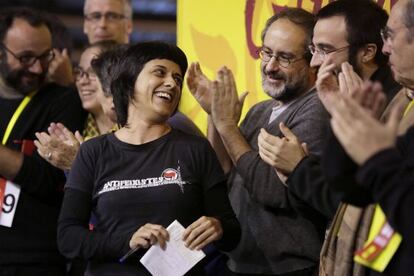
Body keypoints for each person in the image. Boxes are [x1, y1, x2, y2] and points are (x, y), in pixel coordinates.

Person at [57, 41, 241, 276]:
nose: (172, 83)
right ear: (129, 80)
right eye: (160, 72)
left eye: (177, 78)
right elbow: (68, 237)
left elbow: (233, 232)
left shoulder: (195, 149)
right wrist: (128, 241)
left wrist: (219, 226)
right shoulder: (93, 151)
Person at [187, 8, 330, 275]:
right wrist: (214, 116)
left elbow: (271, 190)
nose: (270, 66)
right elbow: (225, 172)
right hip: (239, 263)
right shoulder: (260, 110)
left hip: (289, 269)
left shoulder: (319, 109)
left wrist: (227, 125)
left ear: (312, 61)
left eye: (285, 58)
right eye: (266, 52)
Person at [257, 0, 402, 219]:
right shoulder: (345, 98)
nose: (314, 62)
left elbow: (358, 208)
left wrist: (299, 169)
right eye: (313, 49)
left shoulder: (395, 110)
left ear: (367, 52)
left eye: (325, 50)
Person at [317, 0, 414, 274]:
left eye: (390, 36)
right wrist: (344, 114)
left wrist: (378, 159)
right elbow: (353, 189)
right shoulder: (401, 101)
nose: (385, 48)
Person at [0, 7, 85, 276]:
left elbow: (49, 179)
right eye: (25, 58)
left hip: (32, 258)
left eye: (45, 56)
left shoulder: (63, 101)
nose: (37, 68)